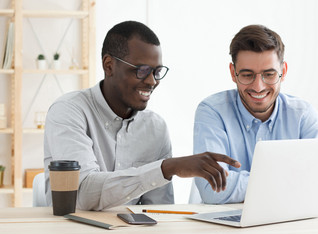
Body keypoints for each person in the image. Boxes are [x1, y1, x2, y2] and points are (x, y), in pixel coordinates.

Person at [44, 21, 240, 211]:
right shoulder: (68, 111)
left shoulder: (155, 128)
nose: (152, 81)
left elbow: (157, 211)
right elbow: (83, 194)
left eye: (157, 72)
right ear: (109, 65)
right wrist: (166, 168)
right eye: (141, 71)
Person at [193, 24, 318, 204]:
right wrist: (294, 179)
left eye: (269, 74)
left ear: (283, 71)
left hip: (285, 225)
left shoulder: (303, 115)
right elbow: (212, 190)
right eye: (247, 75)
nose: (258, 87)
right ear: (233, 73)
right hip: (223, 227)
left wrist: (243, 183)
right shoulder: (212, 111)